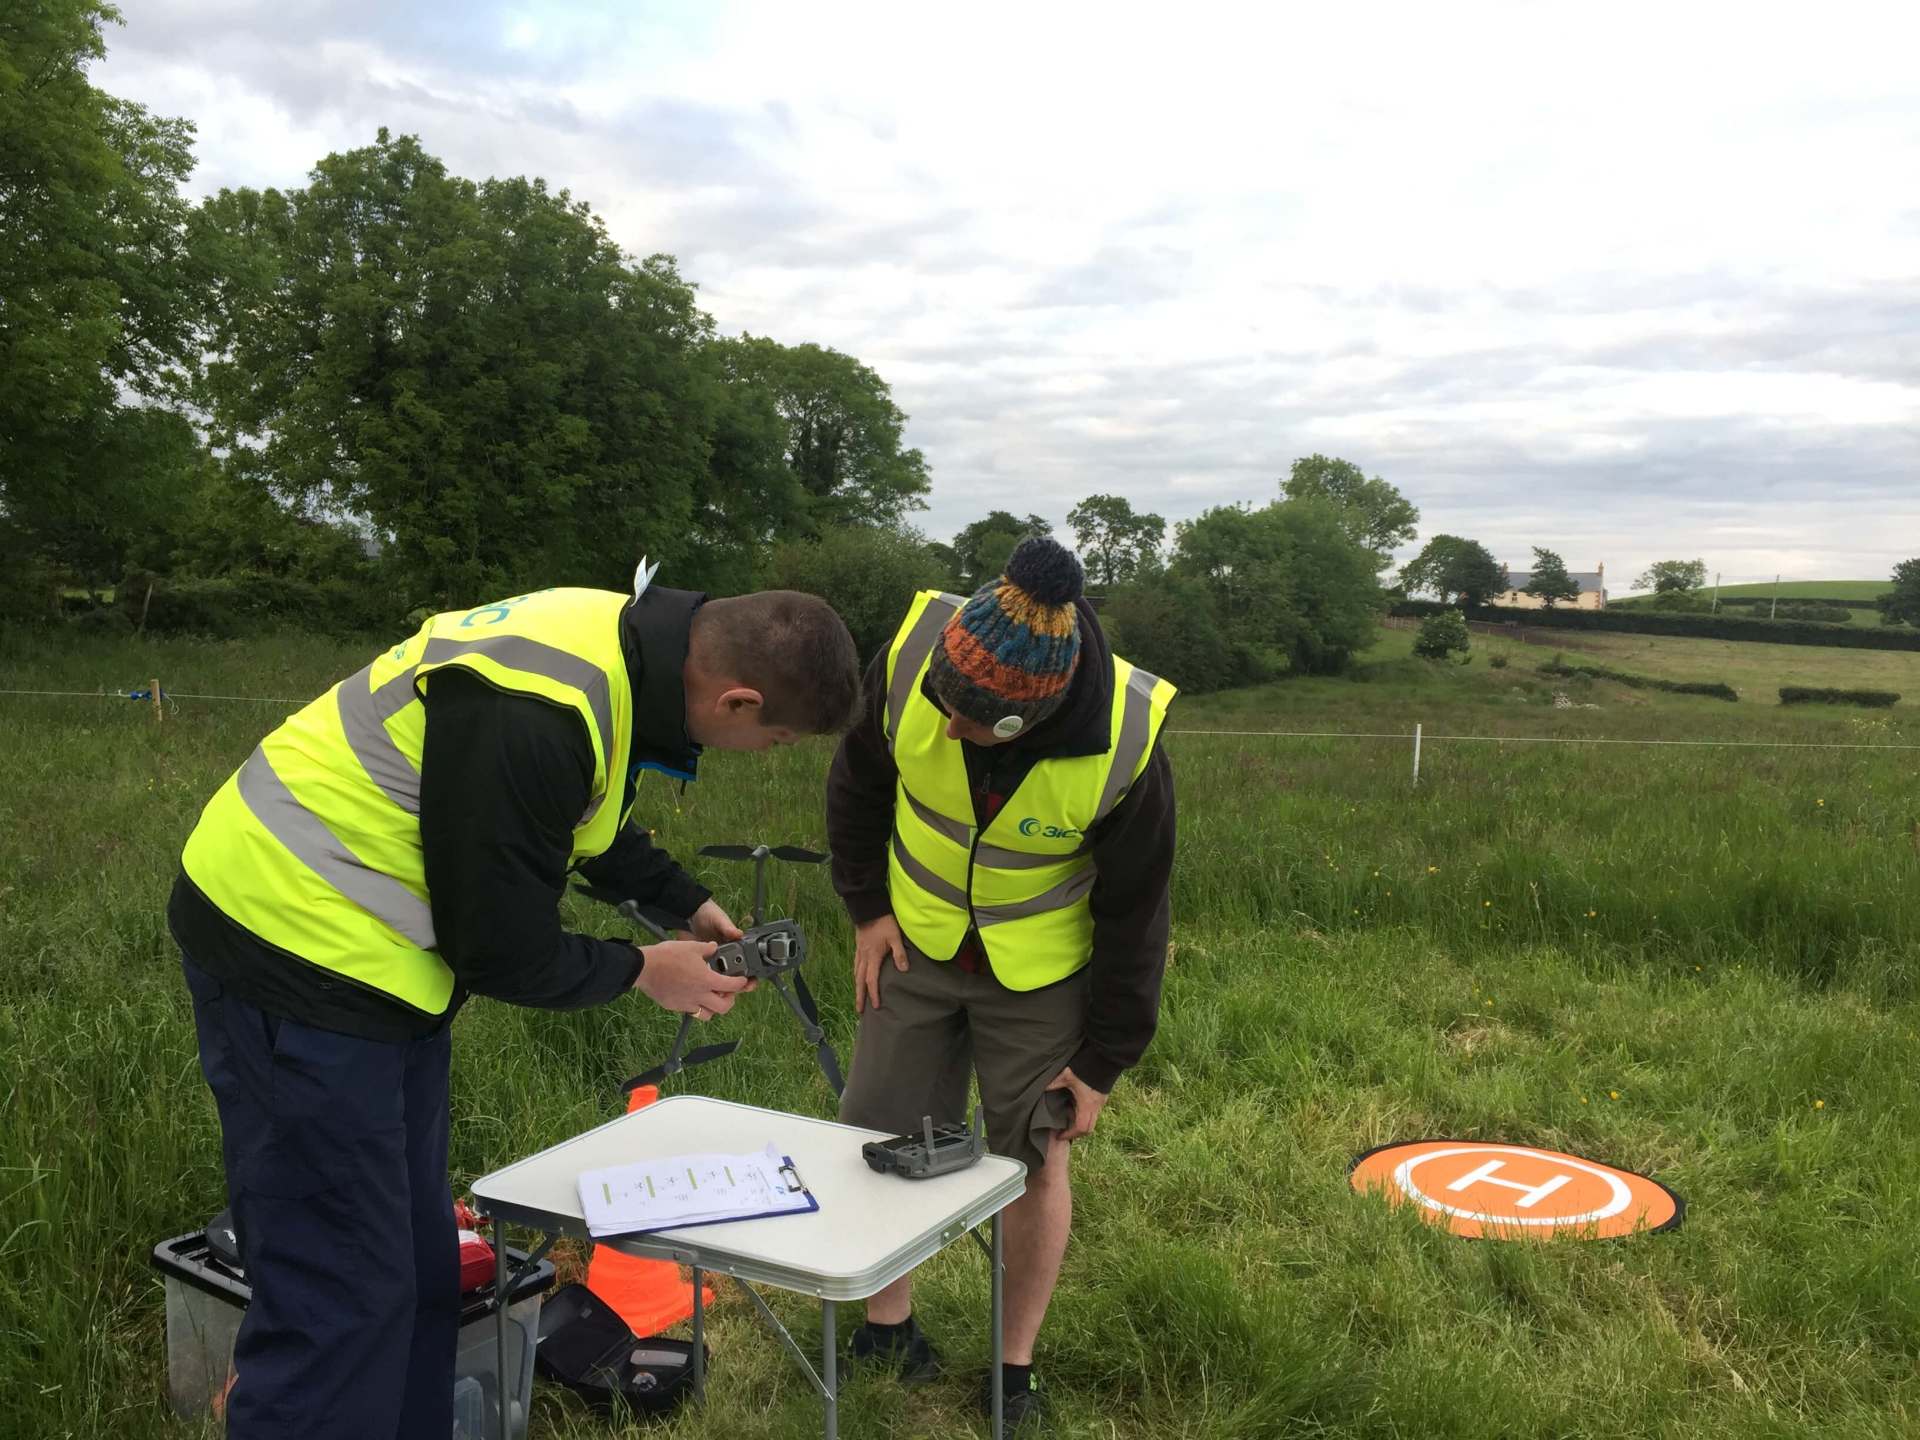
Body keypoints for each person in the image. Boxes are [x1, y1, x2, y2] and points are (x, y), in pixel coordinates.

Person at [170, 574, 860, 1439]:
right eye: (773, 738)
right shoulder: (534, 714)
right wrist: (646, 970)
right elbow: (499, 949)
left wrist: (683, 902)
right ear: (737, 697)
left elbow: (582, 821)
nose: (760, 755)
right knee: (339, 1297)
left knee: (420, 1274)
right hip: (291, 951)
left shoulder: (615, 650)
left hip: (380, 978)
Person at [827, 536, 1178, 1428]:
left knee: (1035, 1156)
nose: (946, 727)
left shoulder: (1127, 739)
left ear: (1027, 724)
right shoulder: (917, 654)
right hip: (912, 946)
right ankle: (886, 1326)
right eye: (944, 705)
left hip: (1038, 976)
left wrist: (1103, 1062)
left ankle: (1011, 1366)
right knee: (878, 1130)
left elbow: (1138, 914)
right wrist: (868, 907)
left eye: (971, 723)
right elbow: (858, 783)